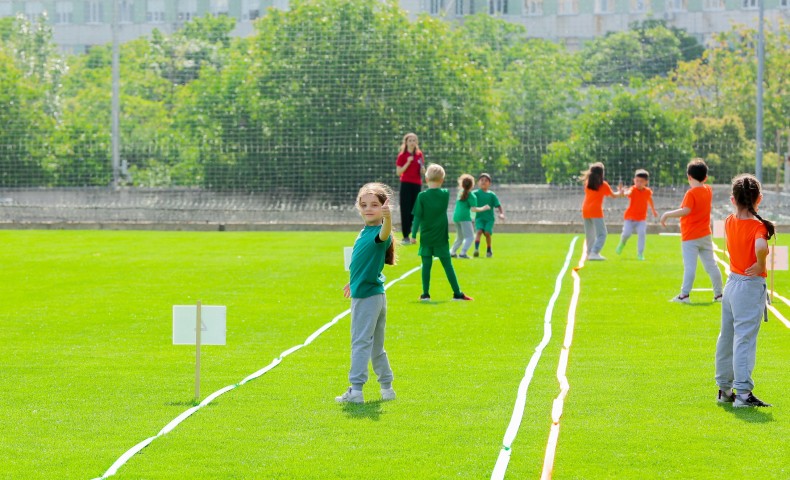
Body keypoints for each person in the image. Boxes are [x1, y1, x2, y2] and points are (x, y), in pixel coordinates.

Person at [714, 174, 774, 408]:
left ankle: (724, 389)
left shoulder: (729, 220)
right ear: (758, 198)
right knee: (744, 340)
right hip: (749, 287)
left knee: (726, 338)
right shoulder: (758, 226)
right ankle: (743, 394)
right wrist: (760, 263)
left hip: (731, 284)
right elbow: (760, 245)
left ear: (733, 199)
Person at [336, 183, 397, 404]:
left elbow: (385, 233)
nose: (368, 208)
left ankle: (356, 391)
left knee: (361, 342)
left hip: (368, 299)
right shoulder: (364, 231)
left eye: (374, 205)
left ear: (383, 208)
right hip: (374, 294)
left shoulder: (379, 233)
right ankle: (387, 388)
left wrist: (389, 219)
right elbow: (363, 262)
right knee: (376, 346)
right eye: (364, 205)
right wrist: (353, 282)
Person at [660, 158, 723, 303]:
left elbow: (686, 210)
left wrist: (667, 214)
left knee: (690, 267)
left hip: (690, 237)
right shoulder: (708, 190)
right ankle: (719, 294)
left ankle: (684, 295)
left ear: (689, 177)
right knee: (711, 265)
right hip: (705, 235)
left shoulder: (691, 193)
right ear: (706, 177)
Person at [412, 164, 473, 301]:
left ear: (426, 179)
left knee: (426, 266)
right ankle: (457, 293)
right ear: (442, 180)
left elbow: (417, 216)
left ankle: (425, 294)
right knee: (448, 265)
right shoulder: (445, 194)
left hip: (426, 236)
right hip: (441, 236)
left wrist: (413, 235)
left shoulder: (421, 196)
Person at [614, 169, 658, 260]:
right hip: (629, 218)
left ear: (646, 182)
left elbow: (649, 200)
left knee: (642, 234)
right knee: (626, 234)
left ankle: (640, 254)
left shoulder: (647, 191)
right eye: (637, 181)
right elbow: (627, 193)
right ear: (634, 180)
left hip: (641, 219)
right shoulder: (633, 190)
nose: (639, 183)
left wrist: (653, 210)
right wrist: (622, 193)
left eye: (641, 181)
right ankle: (622, 243)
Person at [581, 162, 620, 261]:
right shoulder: (603, 185)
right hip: (595, 211)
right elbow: (614, 195)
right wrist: (622, 192)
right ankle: (594, 252)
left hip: (585, 210)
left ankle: (589, 253)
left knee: (590, 234)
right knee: (602, 234)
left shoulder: (587, 183)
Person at [450, 174, 491, 259]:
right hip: (464, 218)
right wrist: (484, 208)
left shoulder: (460, 193)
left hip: (456, 217)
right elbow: (473, 209)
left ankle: (452, 252)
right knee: (470, 237)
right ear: (472, 185)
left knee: (460, 237)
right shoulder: (472, 196)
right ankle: (462, 253)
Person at [395, 133, 425, 245]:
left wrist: (423, 170)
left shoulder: (419, 154)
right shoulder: (402, 156)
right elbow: (399, 172)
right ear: (406, 142)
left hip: (416, 184)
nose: (412, 142)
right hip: (406, 184)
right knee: (405, 210)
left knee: (415, 210)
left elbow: (422, 169)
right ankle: (405, 236)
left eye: (414, 140)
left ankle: (413, 233)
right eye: (410, 140)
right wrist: (408, 162)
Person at [472, 173, 505, 258]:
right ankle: (476, 249)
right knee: (479, 231)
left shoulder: (492, 195)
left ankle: (489, 249)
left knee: (487, 233)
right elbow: (468, 198)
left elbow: (498, 205)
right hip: (479, 218)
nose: (483, 182)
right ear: (478, 182)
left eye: (486, 180)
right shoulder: (475, 193)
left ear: (489, 183)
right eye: (482, 180)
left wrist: (501, 214)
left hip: (489, 219)